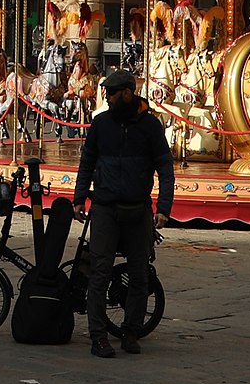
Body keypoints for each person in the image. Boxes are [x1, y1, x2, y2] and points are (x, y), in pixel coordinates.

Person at [73, 68, 174, 360]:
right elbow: (87, 162)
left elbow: (165, 168)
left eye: (112, 94)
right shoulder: (101, 124)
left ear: (128, 93)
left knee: (139, 274)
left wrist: (163, 207)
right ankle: (98, 336)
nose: (108, 98)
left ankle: (131, 331)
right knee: (99, 272)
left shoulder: (151, 126)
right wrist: (80, 198)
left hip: (138, 209)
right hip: (104, 208)